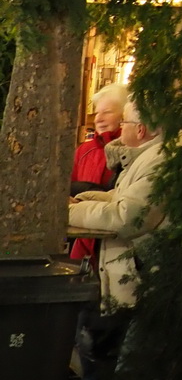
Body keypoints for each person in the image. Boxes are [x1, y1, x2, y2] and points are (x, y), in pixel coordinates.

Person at [68, 99, 167, 380]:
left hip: (139, 271)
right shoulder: (144, 156)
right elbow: (120, 198)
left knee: (123, 362)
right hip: (125, 270)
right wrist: (85, 199)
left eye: (122, 121)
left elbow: (127, 216)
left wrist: (71, 211)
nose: (119, 126)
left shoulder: (158, 161)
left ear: (141, 129)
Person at [69, 82, 128, 265]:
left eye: (107, 112)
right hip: (83, 240)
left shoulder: (130, 150)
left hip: (115, 244)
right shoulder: (84, 150)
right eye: (97, 113)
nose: (99, 119)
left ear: (125, 115)